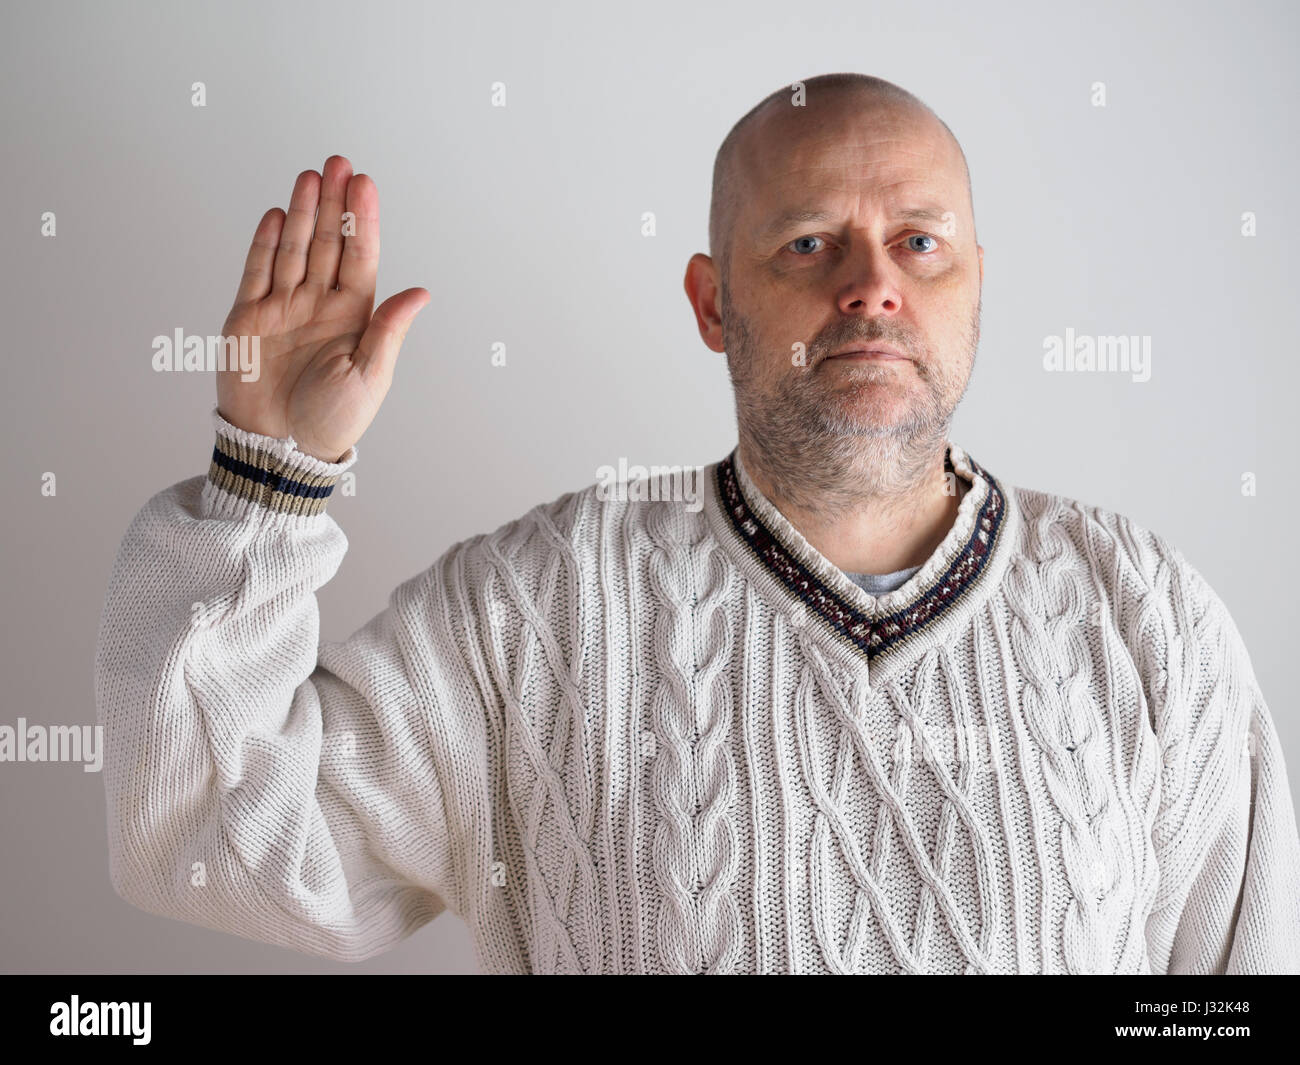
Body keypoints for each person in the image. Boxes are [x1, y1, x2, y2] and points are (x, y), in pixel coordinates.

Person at [95, 72, 1300, 974]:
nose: (871, 282)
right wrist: (269, 475)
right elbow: (207, 842)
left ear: (973, 284)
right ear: (713, 301)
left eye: (918, 244)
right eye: (809, 242)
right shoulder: (531, 612)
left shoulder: (1143, 614)